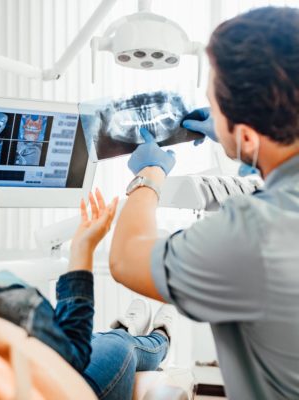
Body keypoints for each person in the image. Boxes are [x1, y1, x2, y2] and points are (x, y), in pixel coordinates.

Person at [0, 115, 172, 400]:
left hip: (30, 363)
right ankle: (160, 338)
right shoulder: (12, 307)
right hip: (66, 383)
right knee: (118, 344)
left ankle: (131, 328)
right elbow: (74, 356)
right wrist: (84, 249)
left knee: (102, 339)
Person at [109, 6, 299, 400]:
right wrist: (244, 146)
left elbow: (126, 259)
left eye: (215, 106)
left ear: (247, 135)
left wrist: (149, 176)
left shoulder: (253, 234)